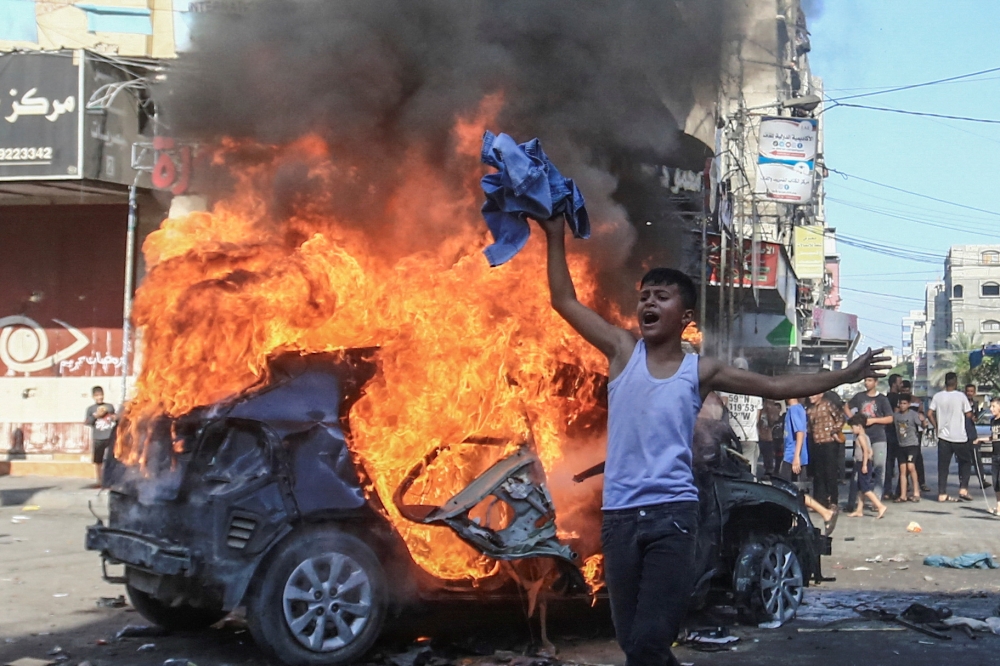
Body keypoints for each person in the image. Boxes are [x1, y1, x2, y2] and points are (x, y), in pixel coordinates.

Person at [538, 218, 887, 666]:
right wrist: (554, 234)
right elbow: (563, 300)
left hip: (672, 517)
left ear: (685, 318)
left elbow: (776, 386)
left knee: (648, 642)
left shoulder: (700, 371)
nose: (649, 302)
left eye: (661, 297)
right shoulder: (622, 351)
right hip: (620, 518)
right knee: (632, 642)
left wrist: (845, 375)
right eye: (645, 296)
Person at [782, 397, 839, 532]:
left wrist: (796, 457)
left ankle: (825, 513)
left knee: (787, 490)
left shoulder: (795, 409)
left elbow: (800, 433)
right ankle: (796, 521)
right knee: (789, 491)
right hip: (792, 454)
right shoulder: (797, 409)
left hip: (792, 456)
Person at [845, 377, 894, 502]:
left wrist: (874, 420)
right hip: (862, 437)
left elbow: (889, 418)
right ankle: (855, 500)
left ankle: (876, 499)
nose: (867, 383)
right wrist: (854, 420)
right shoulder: (859, 397)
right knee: (858, 468)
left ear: (876, 382)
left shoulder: (882, 399)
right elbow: (846, 407)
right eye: (866, 380)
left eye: (870, 380)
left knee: (879, 468)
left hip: (878, 437)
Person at [928, 372, 974, 502]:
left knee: (943, 466)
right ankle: (963, 488)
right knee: (965, 462)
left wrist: (936, 426)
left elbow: (929, 413)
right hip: (959, 436)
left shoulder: (938, 396)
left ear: (945, 382)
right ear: (956, 382)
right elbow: (968, 414)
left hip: (943, 436)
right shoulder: (961, 396)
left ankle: (942, 493)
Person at [720, 361, 763, 478]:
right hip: (750, 436)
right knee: (749, 470)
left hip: (731, 436)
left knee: (732, 469)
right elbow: (757, 417)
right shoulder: (756, 389)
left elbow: (722, 407)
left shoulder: (727, 387)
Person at [807, 391, 845, 510]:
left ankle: (833, 501)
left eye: (813, 394)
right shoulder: (810, 410)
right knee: (818, 474)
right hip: (816, 443)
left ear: (821, 394)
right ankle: (820, 501)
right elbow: (810, 427)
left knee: (830, 473)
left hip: (829, 443)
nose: (811, 396)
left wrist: (834, 431)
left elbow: (841, 418)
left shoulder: (828, 405)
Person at [846, 413, 888, 519]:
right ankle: (859, 510)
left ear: (859, 426)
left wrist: (864, 464)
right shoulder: (866, 437)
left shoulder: (861, 437)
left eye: (852, 427)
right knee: (861, 488)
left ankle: (880, 506)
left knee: (865, 488)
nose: (851, 430)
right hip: (863, 463)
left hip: (862, 463)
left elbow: (865, 451)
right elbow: (870, 451)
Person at [84, 386, 117, 487]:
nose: (99, 397)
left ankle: (111, 480)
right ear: (93, 397)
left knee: (111, 459)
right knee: (98, 461)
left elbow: (115, 418)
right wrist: (96, 415)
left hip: (110, 436)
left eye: (101, 395)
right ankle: (100, 480)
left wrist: (113, 417)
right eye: (97, 395)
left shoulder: (109, 407)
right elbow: (87, 422)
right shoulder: (90, 409)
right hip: (98, 438)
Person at [901, 380, 930, 492]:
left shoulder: (916, 401)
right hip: (903, 431)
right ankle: (906, 483)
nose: (905, 393)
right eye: (903, 391)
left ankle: (921, 482)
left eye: (907, 391)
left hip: (916, 431)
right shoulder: (900, 402)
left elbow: (921, 413)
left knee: (917, 457)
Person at [974, 396, 1000, 514]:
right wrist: (980, 439)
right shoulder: (993, 421)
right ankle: (998, 507)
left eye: (994, 406)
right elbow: (993, 437)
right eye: (991, 406)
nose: (991, 409)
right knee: (996, 482)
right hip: (995, 454)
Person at [893, 395, 922, 502]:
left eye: (905, 403)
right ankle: (903, 495)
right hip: (901, 445)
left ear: (909, 404)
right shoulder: (896, 416)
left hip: (912, 445)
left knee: (911, 467)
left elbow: (921, 425)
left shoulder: (913, 415)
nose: (902, 406)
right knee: (902, 470)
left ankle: (916, 492)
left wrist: (923, 421)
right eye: (901, 403)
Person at [965, 383, 991, 490]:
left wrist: (975, 418)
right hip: (963, 434)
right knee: (965, 460)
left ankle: (982, 480)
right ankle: (963, 483)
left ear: (974, 392)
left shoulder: (975, 404)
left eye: (971, 391)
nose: (969, 393)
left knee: (977, 458)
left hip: (972, 433)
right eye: (968, 391)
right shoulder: (962, 403)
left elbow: (975, 417)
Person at [883, 374, 903, 499]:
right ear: (894, 384)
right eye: (900, 382)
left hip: (887, 433)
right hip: (896, 433)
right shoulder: (898, 399)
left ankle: (887, 490)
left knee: (888, 463)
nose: (902, 385)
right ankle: (900, 491)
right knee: (902, 463)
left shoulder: (885, 399)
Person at [758, 399, 780, 477]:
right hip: (759, 437)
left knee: (768, 458)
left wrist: (769, 412)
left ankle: (768, 472)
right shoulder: (759, 411)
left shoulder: (771, 411)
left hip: (768, 438)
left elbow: (772, 422)